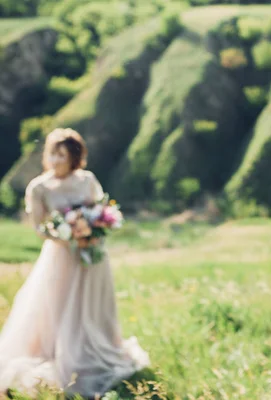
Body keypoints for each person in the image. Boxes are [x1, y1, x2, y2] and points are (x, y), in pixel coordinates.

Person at [0, 129, 149, 397]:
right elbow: (39, 229)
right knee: (56, 308)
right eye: (52, 154)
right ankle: (60, 355)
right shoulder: (39, 187)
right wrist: (67, 236)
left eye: (62, 154)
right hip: (60, 258)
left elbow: (100, 211)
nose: (55, 160)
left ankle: (96, 349)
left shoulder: (87, 180)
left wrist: (92, 230)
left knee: (91, 306)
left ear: (75, 157)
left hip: (92, 257)